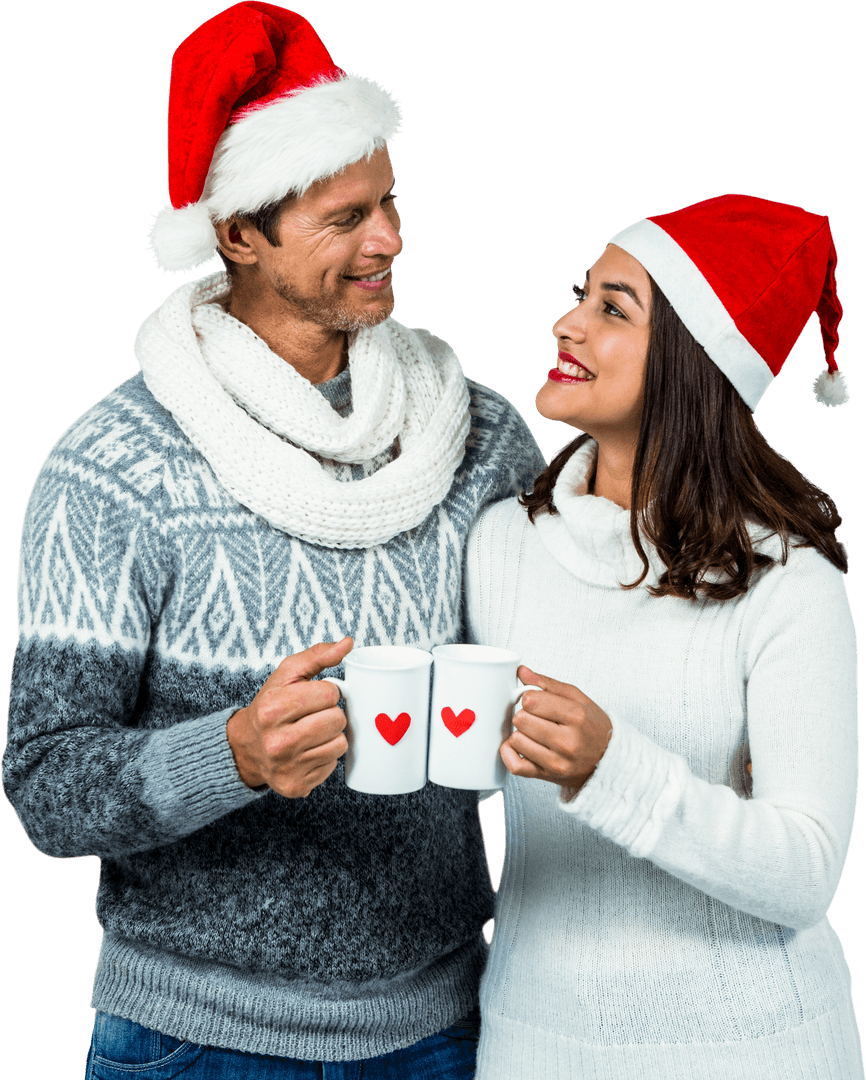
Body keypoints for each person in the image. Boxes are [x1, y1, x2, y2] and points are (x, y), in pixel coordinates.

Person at [1, 4, 544, 1077]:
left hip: (445, 1026)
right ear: (237, 233)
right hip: (192, 1043)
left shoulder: (478, 436)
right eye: (343, 218)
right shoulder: (112, 466)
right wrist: (233, 755)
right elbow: (44, 786)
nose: (387, 238)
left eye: (388, 201)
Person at [464, 194, 862, 1079]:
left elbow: (805, 873)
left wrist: (613, 768)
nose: (566, 323)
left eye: (614, 309)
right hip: (532, 1047)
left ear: (692, 360)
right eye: (582, 295)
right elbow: (472, 781)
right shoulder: (501, 546)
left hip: (754, 1053)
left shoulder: (787, 582)